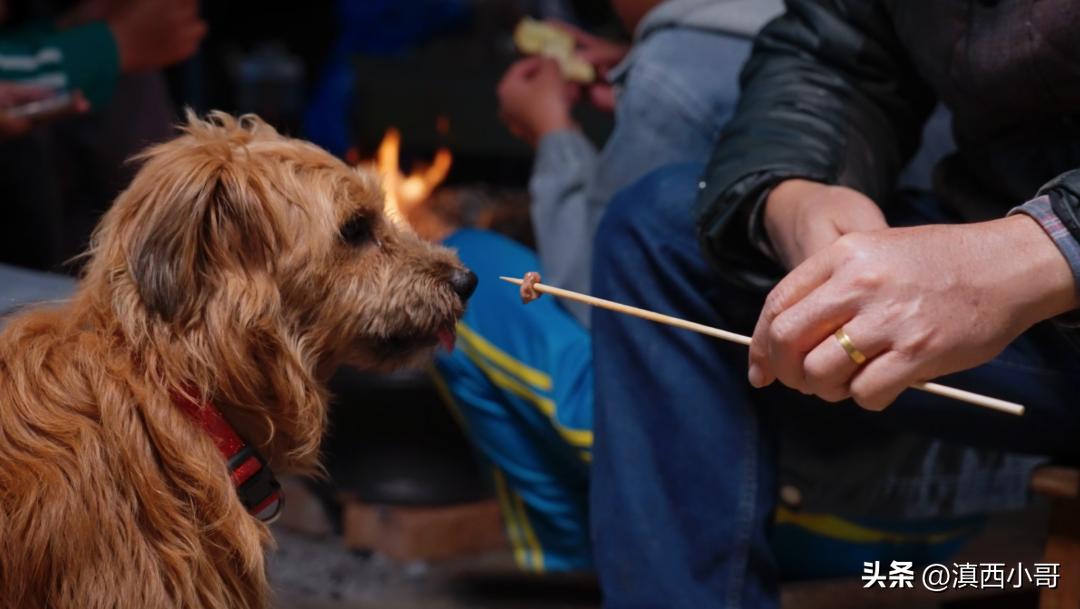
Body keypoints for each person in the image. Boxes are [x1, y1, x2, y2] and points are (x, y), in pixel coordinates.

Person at [589, 0, 1080, 607]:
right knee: (658, 232)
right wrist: (793, 193)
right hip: (1018, 274)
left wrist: (1036, 253)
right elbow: (835, 51)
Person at [431, 0, 781, 572]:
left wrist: (554, 135)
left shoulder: (674, 76)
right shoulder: (875, 35)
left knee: (467, 270)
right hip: (915, 507)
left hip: (750, 504)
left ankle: (577, 561)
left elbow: (592, 300)